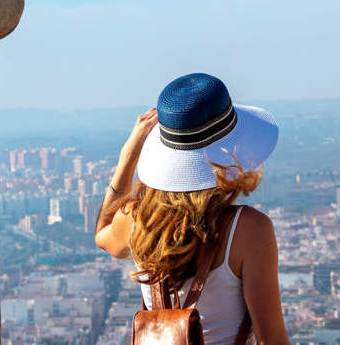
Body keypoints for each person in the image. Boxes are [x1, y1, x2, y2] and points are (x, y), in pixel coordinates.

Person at [95, 73, 290, 344]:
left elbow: (103, 233)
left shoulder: (136, 218)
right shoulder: (249, 230)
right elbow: (273, 340)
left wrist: (128, 155)